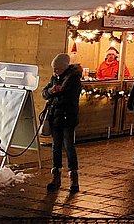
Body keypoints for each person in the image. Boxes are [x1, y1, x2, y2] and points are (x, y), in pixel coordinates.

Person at [42, 53, 83, 193]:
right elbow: (44, 93)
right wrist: (52, 91)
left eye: (57, 69)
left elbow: (67, 99)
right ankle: (56, 177)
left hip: (67, 117)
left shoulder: (73, 79)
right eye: (54, 69)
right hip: (55, 117)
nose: (55, 72)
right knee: (56, 147)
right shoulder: (55, 78)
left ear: (64, 67)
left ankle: (74, 178)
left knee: (69, 146)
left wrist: (53, 96)